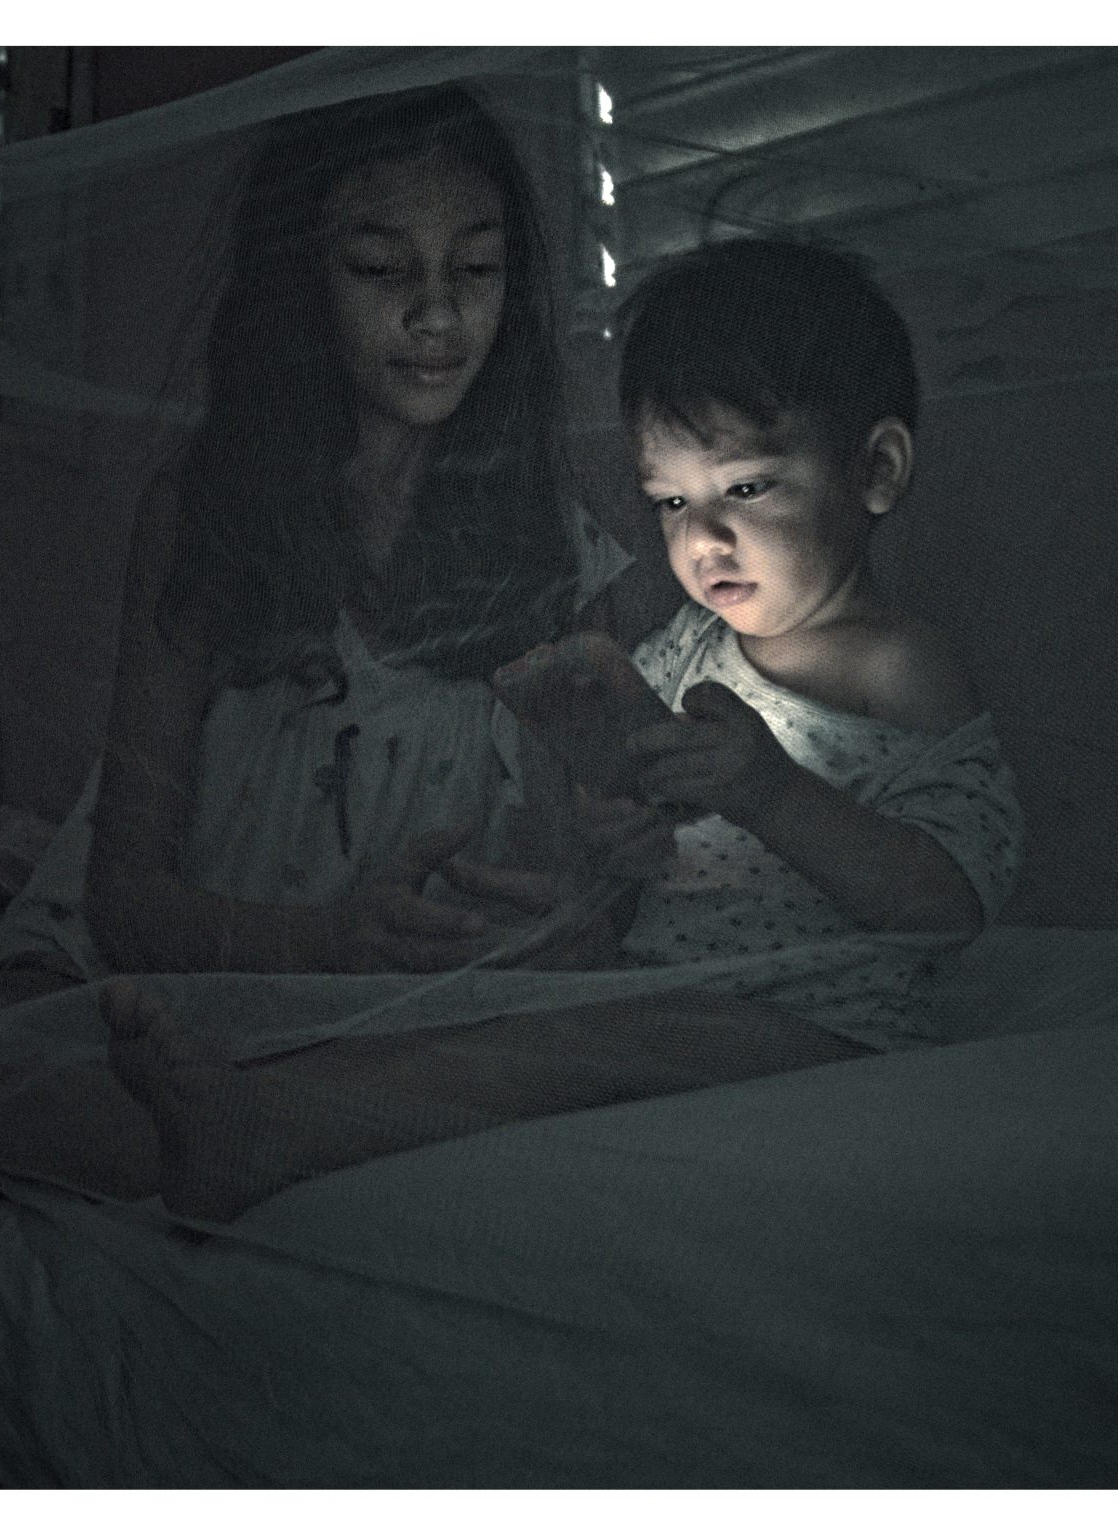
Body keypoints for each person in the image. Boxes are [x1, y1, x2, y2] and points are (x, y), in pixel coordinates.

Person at [97, 236, 1024, 1222]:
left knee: (610, 1038)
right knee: (495, 1036)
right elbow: (639, 857)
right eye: (670, 500)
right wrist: (614, 844)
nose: (702, 539)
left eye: (746, 488)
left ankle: (265, 1135)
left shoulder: (897, 665)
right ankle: (261, 1111)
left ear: (875, 470)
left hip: (824, 1029)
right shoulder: (677, 651)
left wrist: (771, 793)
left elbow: (949, 905)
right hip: (654, 998)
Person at [0, 84, 632, 1210]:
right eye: (380, 269)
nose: (436, 314)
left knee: (551, 1073)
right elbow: (126, 897)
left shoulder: (554, 544)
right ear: (303, 286)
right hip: (181, 967)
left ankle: (252, 1130)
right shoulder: (208, 513)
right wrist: (325, 942)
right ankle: (219, 1131)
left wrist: (580, 882)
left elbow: (598, 878)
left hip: (401, 1016)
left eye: (476, 269)